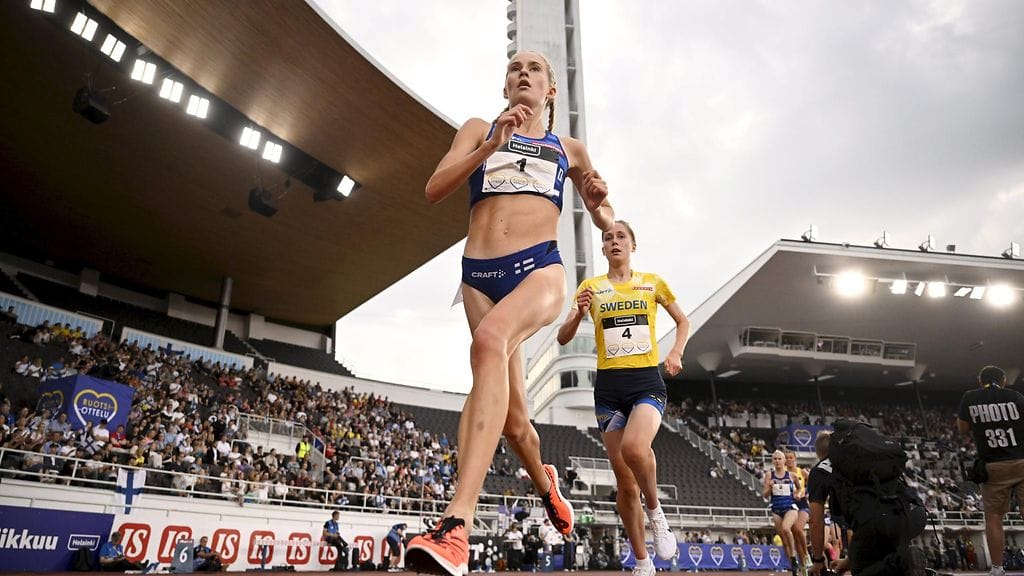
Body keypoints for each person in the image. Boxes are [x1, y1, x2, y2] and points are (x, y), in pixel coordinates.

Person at [406, 50, 613, 576]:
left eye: (535, 69)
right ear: (505, 88)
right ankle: (547, 487)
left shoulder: (569, 148)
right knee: (516, 424)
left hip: (539, 269)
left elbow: (603, 211)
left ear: (551, 91)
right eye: (515, 69)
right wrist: (490, 147)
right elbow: (433, 189)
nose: (524, 73)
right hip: (480, 276)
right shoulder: (479, 128)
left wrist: (598, 202)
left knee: (489, 342)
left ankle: (456, 524)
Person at [555, 220, 689, 575]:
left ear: (633, 245)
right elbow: (563, 337)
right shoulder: (590, 287)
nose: (614, 241)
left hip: (646, 382)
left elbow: (683, 322)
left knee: (634, 449)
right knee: (625, 484)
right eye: (608, 238)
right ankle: (643, 563)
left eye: (621, 237)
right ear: (602, 249)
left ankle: (656, 512)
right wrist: (578, 313)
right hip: (609, 389)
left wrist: (675, 352)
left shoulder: (653, 283)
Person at [957, 365, 1024, 576]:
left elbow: (962, 428)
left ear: (980, 381)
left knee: (994, 517)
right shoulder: (1015, 396)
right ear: (1003, 381)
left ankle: (997, 568)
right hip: (1021, 460)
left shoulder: (970, 397)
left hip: (993, 465)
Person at [764, 450, 801, 576]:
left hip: (790, 507)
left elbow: (799, 488)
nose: (777, 461)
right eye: (775, 459)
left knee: (786, 528)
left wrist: (797, 494)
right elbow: (765, 495)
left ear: (784, 461)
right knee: (784, 541)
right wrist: (769, 487)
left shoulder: (792, 475)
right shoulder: (769, 475)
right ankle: (793, 567)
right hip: (776, 509)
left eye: (779, 459)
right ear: (772, 461)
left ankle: (794, 557)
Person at [786, 449, 812, 570]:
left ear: (795, 459)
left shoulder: (801, 472)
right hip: (789, 504)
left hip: (802, 504)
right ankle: (803, 565)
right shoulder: (783, 473)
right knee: (795, 535)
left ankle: (806, 555)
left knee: (798, 528)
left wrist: (806, 492)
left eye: (791, 457)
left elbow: (813, 481)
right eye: (787, 457)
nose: (789, 459)